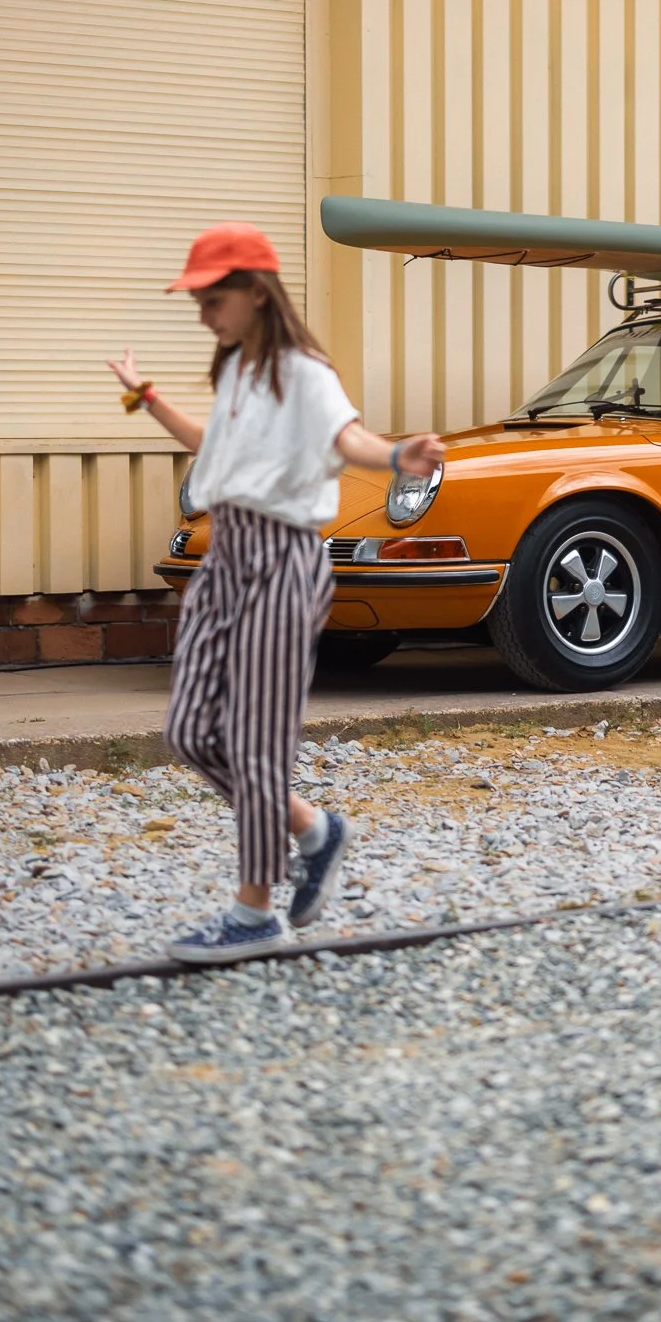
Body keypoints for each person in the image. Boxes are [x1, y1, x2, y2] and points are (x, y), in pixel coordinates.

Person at [106, 223, 444, 964]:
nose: (203, 314)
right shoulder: (236, 370)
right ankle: (314, 831)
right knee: (190, 733)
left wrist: (397, 455)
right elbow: (214, 448)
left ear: (256, 293)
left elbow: (348, 440)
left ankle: (254, 912)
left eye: (212, 299)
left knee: (255, 746)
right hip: (224, 561)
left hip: (282, 563)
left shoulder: (304, 373)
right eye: (198, 301)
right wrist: (144, 396)